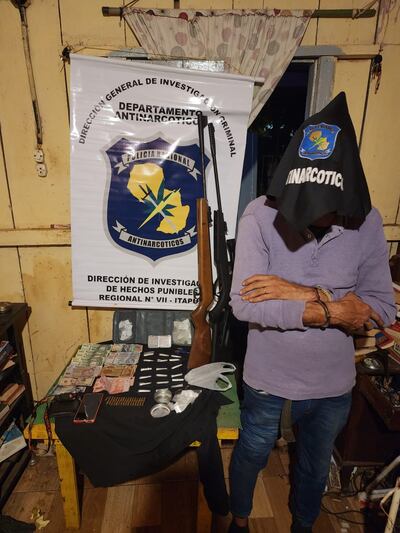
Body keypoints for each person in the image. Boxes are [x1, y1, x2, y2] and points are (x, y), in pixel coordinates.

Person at [228, 92, 396, 533]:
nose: (317, 217)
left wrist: (299, 293)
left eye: (328, 208)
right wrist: (335, 308)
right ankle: (238, 521)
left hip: (331, 384)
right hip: (268, 379)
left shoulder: (368, 221)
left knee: (315, 465)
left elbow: (380, 308)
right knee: (252, 452)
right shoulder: (259, 215)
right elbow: (244, 303)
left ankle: (303, 526)